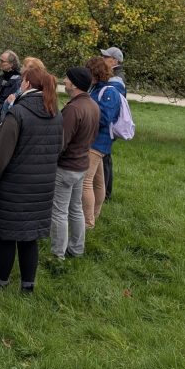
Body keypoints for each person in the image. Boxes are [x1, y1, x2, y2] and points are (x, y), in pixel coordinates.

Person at [0, 63, 63, 293]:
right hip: (43, 185)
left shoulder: (17, 113)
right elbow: (60, 146)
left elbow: (1, 155)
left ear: (26, 83)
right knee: (30, 238)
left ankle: (1, 283)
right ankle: (28, 286)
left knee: (7, 236)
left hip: (14, 185)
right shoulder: (55, 112)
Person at [50, 66, 99, 261]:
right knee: (75, 208)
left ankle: (57, 255)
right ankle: (77, 249)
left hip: (66, 167)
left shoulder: (73, 109)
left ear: (75, 84)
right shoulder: (93, 106)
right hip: (82, 165)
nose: (64, 81)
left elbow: (60, 142)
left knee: (59, 212)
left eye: (67, 78)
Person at [82, 56, 122, 229]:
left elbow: (106, 118)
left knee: (85, 182)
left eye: (88, 71)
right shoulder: (95, 88)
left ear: (95, 72)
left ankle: (88, 222)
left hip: (99, 142)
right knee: (98, 181)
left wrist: (85, 114)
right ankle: (95, 215)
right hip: (93, 140)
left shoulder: (109, 91)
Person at [100, 46, 127, 200]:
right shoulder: (115, 75)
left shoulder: (116, 79)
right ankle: (106, 193)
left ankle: (105, 194)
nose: (103, 60)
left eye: (106, 57)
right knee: (106, 158)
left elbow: (111, 105)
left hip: (109, 125)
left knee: (103, 160)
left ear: (114, 60)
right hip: (110, 124)